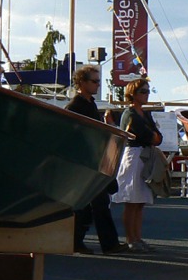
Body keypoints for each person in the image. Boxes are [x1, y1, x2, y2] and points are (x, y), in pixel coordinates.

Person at [67, 65, 127, 255]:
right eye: (94, 81)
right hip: (84, 163)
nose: (97, 85)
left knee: (94, 204)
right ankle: (105, 244)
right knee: (93, 204)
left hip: (92, 161)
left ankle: (92, 243)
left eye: (98, 81)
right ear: (82, 82)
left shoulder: (90, 104)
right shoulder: (75, 106)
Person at [111, 78, 162, 253]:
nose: (146, 94)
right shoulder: (129, 114)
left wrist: (152, 135)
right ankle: (130, 239)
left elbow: (157, 137)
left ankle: (138, 238)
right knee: (131, 201)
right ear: (133, 94)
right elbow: (148, 135)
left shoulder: (146, 114)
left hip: (144, 156)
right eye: (143, 91)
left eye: (148, 91)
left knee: (140, 201)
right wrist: (152, 135)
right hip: (133, 156)